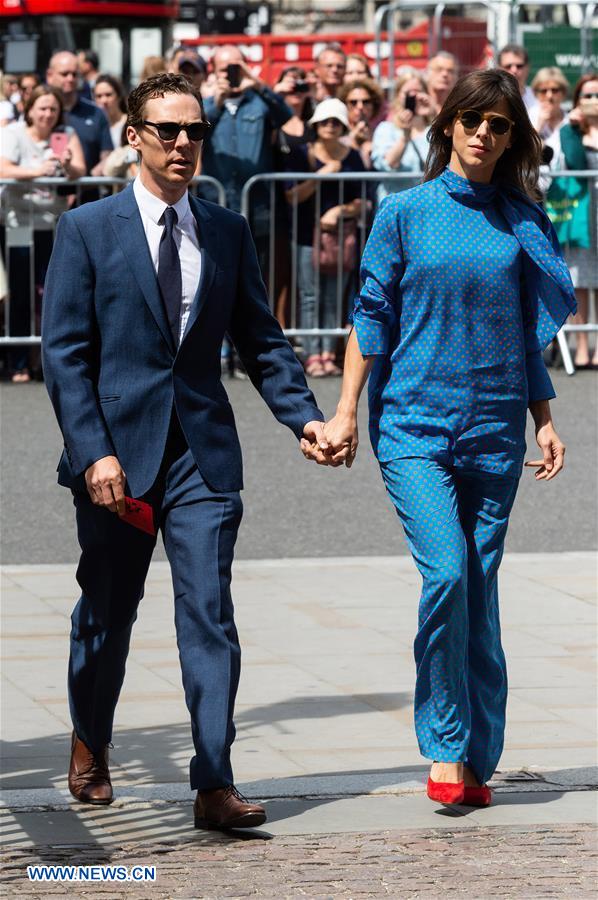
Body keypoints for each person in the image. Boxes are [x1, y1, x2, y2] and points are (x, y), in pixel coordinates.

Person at [41, 73, 327, 829]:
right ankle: (91, 738)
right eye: (166, 130)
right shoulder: (87, 229)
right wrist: (94, 452)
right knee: (108, 611)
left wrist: (304, 419)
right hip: (116, 461)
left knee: (208, 611)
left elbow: (261, 341)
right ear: (133, 135)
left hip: (202, 455)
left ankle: (213, 781)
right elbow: (65, 354)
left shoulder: (226, 230)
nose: (182, 144)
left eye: (194, 131)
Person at [317, 69, 576, 808]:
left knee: (479, 590)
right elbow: (371, 316)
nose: (483, 133)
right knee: (448, 574)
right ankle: (446, 746)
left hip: (495, 426)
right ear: (447, 126)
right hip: (413, 424)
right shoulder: (404, 212)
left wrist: (545, 420)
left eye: (499, 124)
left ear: (512, 138)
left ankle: (478, 754)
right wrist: (344, 411)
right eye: (471, 119)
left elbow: (524, 335)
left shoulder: (522, 220)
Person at [0, 85, 85, 381]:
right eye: (42, 108)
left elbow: (80, 170)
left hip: (55, 223)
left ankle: (50, 360)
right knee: (21, 292)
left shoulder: (66, 134)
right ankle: (20, 361)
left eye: (53, 109)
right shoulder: (13, 133)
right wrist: (37, 170)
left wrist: (67, 164)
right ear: (30, 109)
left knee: (55, 293)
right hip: (19, 224)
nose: (48, 114)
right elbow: (3, 168)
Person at [284, 98, 366, 377]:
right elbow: (292, 195)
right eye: (325, 121)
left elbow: (362, 200)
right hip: (306, 235)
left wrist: (339, 211)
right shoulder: (300, 153)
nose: (330, 126)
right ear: (316, 124)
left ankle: (329, 354)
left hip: (340, 236)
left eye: (336, 121)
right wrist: (322, 175)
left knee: (333, 297)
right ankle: (312, 355)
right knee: (309, 296)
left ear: (343, 126)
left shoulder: (353, 156)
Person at [560, 73, 598, 368]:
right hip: (583, 212)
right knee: (581, 280)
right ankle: (582, 345)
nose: (593, 100)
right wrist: (573, 128)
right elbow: (574, 162)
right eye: (587, 95)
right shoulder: (570, 131)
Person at [46, 51, 113, 175]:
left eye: (75, 74)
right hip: (46, 186)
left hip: (87, 186)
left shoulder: (96, 113)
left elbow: (107, 154)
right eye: (64, 74)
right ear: (50, 75)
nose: (70, 78)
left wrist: (94, 176)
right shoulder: (40, 113)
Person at [371, 71, 433, 201]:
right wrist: (405, 137)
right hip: (395, 202)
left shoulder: (435, 130)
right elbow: (388, 164)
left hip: (427, 202)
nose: (413, 97)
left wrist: (434, 113)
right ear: (398, 96)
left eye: (418, 92)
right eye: (408, 93)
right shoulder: (386, 129)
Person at [338, 78, 384, 169]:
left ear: (374, 105)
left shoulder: (382, 132)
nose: (360, 106)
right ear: (344, 105)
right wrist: (353, 138)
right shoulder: (336, 130)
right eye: (353, 102)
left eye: (366, 102)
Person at [529, 66, 569, 167]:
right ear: (536, 93)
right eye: (543, 91)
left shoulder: (569, 120)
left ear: (563, 93)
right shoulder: (528, 116)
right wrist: (539, 126)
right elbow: (521, 150)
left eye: (555, 90)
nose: (549, 96)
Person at [498, 44, 538, 115]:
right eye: (508, 66)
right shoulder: (491, 99)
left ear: (527, 68)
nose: (514, 70)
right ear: (499, 69)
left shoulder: (539, 98)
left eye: (519, 66)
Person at [93, 74, 128, 149]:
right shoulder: (93, 126)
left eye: (108, 95)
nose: (104, 100)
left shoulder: (130, 124)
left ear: (119, 96)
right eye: (99, 96)